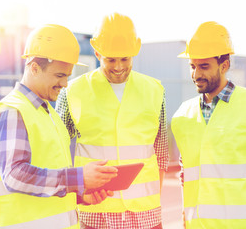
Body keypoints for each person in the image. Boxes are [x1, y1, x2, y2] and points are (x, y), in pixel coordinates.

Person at [0, 24, 118, 229]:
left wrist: (80, 195)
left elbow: (52, 180)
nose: (65, 84)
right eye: (59, 75)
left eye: (67, 76)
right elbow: (14, 176)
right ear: (34, 68)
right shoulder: (11, 112)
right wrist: (79, 176)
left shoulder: (49, 114)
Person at [56, 12, 169, 229]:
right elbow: (58, 150)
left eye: (124, 59)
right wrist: (77, 195)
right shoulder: (72, 91)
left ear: (135, 52)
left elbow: (161, 151)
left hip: (146, 212)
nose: (118, 67)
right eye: (111, 59)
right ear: (97, 52)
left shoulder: (155, 90)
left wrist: (153, 199)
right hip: (96, 211)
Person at [171, 21, 246, 229]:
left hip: (245, 225)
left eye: (204, 66)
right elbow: (186, 174)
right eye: (192, 66)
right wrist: (184, 217)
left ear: (225, 65)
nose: (196, 74)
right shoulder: (183, 114)